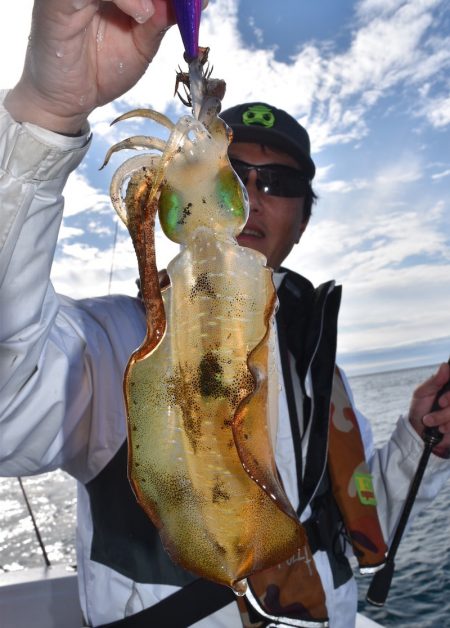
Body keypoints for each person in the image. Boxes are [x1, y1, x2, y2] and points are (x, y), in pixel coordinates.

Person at [1, 1, 449, 627]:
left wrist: (420, 444)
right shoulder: (113, 349)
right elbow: (8, 396)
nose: (256, 197)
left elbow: (346, 518)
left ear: (304, 216)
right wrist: (47, 114)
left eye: (281, 183)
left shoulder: (322, 372)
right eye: (236, 174)